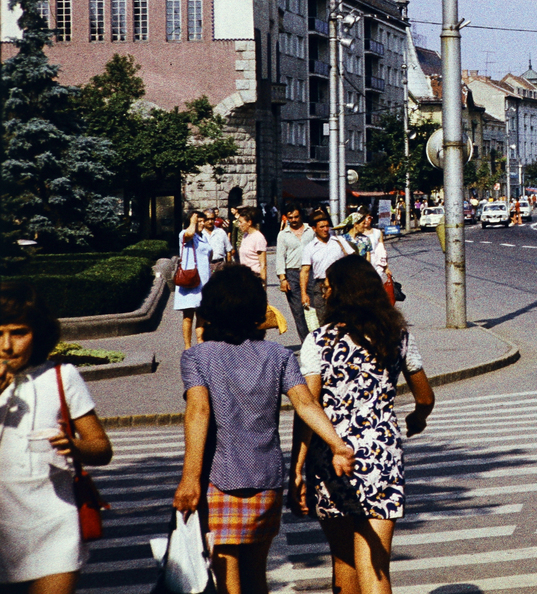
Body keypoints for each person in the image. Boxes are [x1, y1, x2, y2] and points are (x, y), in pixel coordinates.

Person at [175, 267, 354, 594]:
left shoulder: (197, 358)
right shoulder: (279, 355)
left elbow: (198, 412)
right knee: (256, 572)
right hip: (267, 479)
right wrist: (337, 444)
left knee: (226, 574)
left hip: (220, 480)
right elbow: (306, 404)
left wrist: (189, 478)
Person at [295, 257, 434, 594]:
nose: (323, 292)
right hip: (381, 457)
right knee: (374, 564)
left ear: (341, 292)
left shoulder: (319, 342)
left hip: (331, 457)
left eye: (327, 285)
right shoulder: (397, 336)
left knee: (343, 560)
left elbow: (308, 407)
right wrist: (417, 419)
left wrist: (297, 466)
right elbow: (425, 397)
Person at [0, 284, 114, 594]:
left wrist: (76, 447)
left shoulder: (63, 376)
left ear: (38, 333)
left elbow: (102, 448)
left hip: (54, 525)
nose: (6, 346)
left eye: (18, 333)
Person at [301, 211, 355, 327]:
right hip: (320, 286)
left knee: (343, 318)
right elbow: (305, 271)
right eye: (322, 227)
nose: (326, 229)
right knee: (324, 320)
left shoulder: (339, 241)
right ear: (314, 229)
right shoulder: (309, 248)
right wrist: (304, 293)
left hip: (340, 284)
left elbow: (353, 260)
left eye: (327, 226)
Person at [177, 210, 217, 349]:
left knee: (202, 315)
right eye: (198, 221)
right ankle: (187, 347)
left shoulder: (203, 237)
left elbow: (209, 253)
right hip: (190, 282)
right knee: (188, 316)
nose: (201, 223)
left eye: (202, 221)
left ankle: (201, 344)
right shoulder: (185, 234)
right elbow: (188, 234)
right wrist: (192, 222)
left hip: (203, 282)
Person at [276, 205, 315, 340]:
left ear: (301, 216)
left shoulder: (311, 230)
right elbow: (280, 257)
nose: (293, 220)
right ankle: (306, 342)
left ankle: (318, 340)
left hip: (311, 272)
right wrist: (283, 279)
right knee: (298, 311)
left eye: (296, 217)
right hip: (292, 273)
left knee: (314, 307)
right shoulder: (283, 234)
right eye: (290, 217)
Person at [236, 206, 270, 283]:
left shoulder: (258, 238)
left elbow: (263, 264)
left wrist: (263, 283)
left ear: (249, 222)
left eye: (241, 222)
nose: (239, 224)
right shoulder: (245, 236)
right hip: (244, 277)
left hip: (254, 277)